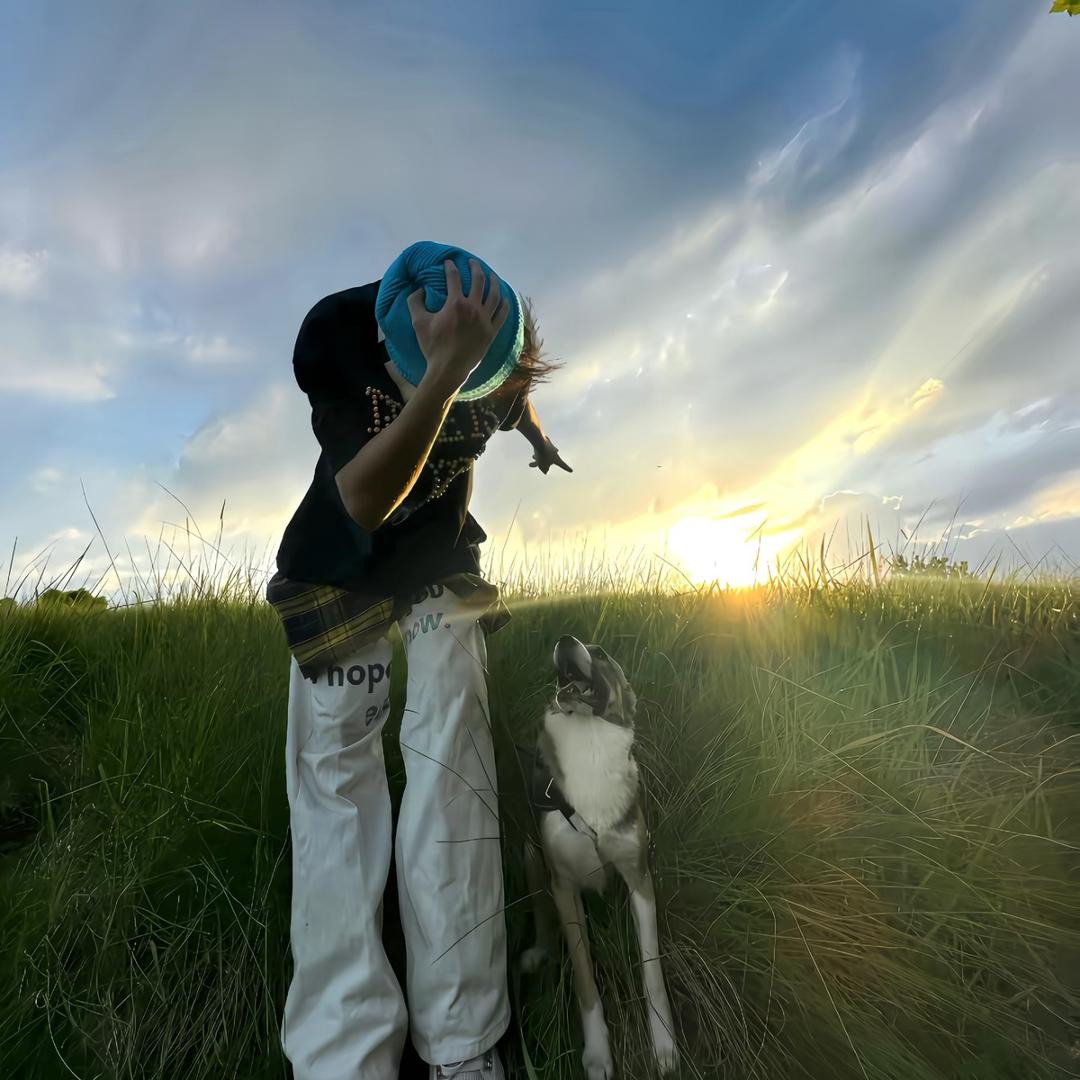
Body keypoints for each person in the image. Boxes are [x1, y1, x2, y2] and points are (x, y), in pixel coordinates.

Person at [266, 249, 570, 1080]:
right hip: (339, 562)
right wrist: (444, 374)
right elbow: (364, 500)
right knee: (336, 778)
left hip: (439, 561)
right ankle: (344, 1052)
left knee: (451, 753)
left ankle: (464, 1038)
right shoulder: (336, 333)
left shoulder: (494, 348)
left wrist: (539, 440)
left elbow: (516, 397)